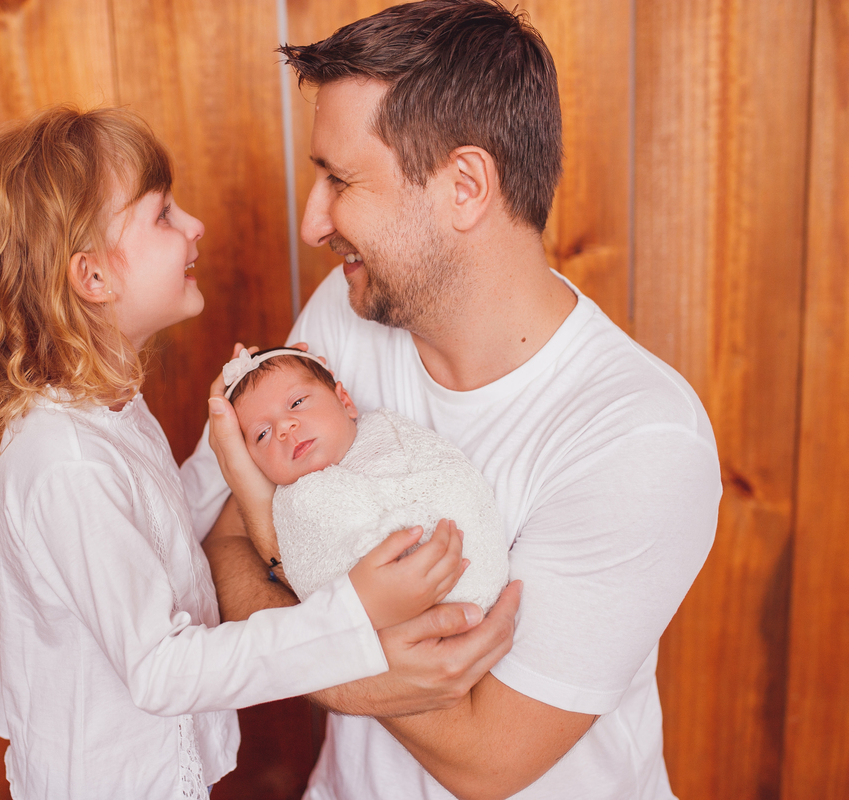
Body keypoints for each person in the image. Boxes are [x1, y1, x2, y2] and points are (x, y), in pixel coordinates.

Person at [180, 2, 722, 798]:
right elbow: (224, 542)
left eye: (340, 179)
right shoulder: (348, 307)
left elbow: (486, 756)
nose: (312, 222)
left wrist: (302, 643)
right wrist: (359, 654)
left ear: (465, 186)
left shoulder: (640, 439)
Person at [0, 105, 470, 799]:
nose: (194, 228)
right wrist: (352, 613)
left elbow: (158, 534)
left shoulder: (105, 412)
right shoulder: (67, 462)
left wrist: (233, 436)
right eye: (163, 215)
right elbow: (160, 668)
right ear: (92, 278)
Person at [219, 345, 508, 611]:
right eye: (262, 434)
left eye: (296, 403)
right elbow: (318, 576)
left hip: (466, 560)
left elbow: (450, 477)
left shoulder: (388, 430)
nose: (284, 427)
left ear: (345, 401)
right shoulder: (295, 503)